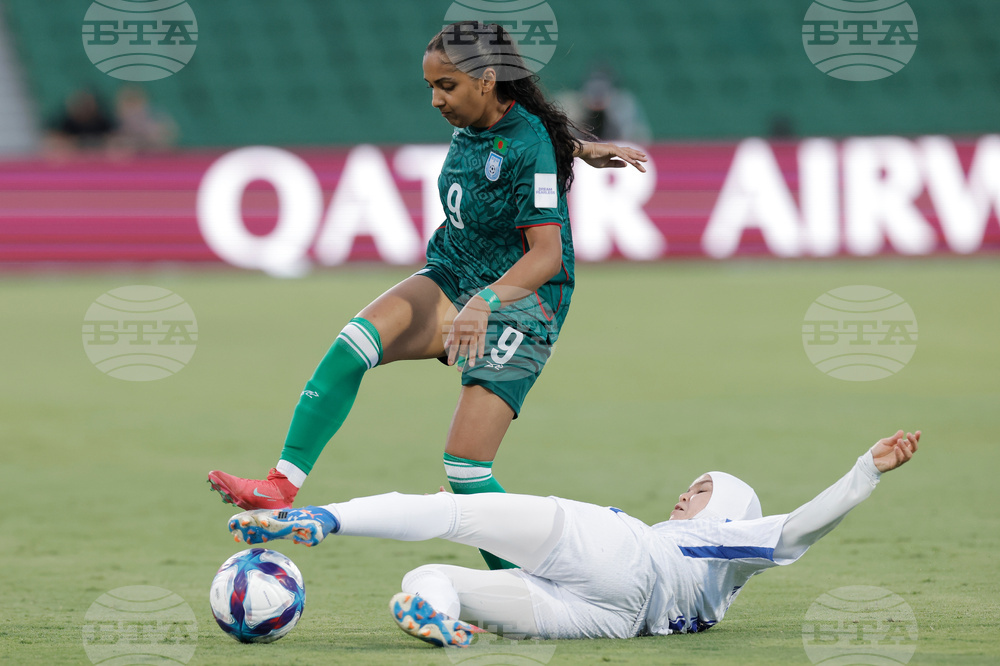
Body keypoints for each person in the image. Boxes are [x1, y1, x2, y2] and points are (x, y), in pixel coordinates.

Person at [208, 22, 647, 570]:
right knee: (353, 345)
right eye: (431, 87)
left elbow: (546, 256)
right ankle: (280, 484)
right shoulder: (490, 121)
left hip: (523, 304)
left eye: (446, 87)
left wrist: (484, 303)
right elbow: (517, 140)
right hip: (454, 272)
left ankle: (531, 582)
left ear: (486, 81)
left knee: (466, 471)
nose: (436, 100)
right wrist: (580, 148)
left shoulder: (529, 140)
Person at [227, 429, 920, 647]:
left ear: (728, 510)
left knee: (460, 507)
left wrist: (867, 470)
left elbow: (796, 530)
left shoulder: (720, 538)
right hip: (614, 619)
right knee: (431, 578)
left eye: (700, 489)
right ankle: (434, 618)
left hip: (620, 553)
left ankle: (315, 518)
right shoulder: (714, 595)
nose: (687, 494)